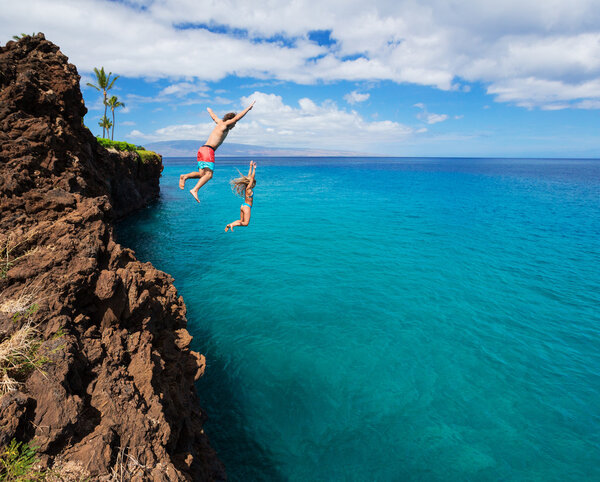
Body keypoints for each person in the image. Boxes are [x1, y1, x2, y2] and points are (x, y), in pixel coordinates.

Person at [179, 101, 255, 202]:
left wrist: (210, 111)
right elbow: (237, 118)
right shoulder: (225, 125)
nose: (234, 125)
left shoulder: (220, 123)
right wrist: (248, 108)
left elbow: (214, 117)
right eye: (234, 123)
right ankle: (195, 190)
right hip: (209, 151)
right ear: (231, 120)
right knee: (209, 175)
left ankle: (185, 176)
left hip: (202, 149)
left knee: (202, 175)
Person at [225, 161, 256, 232]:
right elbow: (252, 178)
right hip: (247, 207)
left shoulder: (246, 188)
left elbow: (249, 177)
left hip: (243, 205)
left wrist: (250, 166)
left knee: (241, 220)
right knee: (245, 223)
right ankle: (233, 225)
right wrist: (254, 169)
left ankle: (230, 225)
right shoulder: (248, 189)